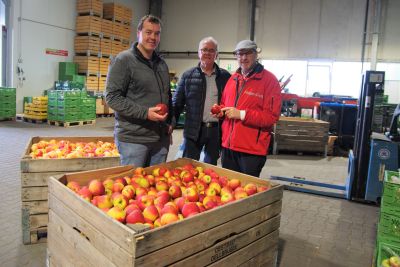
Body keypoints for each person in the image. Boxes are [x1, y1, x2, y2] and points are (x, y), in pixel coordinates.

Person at [104, 15, 172, 167]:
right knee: (134, 187)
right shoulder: (123, 60)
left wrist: (170, 123)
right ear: (139, 33)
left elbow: (168, 96)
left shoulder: (161, 64)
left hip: (160, 141)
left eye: (157, 33)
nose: (153, 37)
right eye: (148, 32)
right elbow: (112, 97)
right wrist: (145, 113)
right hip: (134, 140)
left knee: (156, 188)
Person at [217, 40, 282, 177]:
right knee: (227, 190)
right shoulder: (233, 78)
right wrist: (220, 111)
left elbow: (271, 117)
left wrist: (241, 114)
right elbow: (225, 104)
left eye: (248, 53)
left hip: (251, 151)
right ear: (236, 56)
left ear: (256, 55)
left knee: (248, 193)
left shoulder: (269, 81)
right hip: (228, 148)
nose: (244, 58)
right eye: (240, 54)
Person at [173, 37, 231, 165]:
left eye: (211, 50)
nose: (207, 53)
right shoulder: (188, 75)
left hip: (216, 131)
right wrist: (170, 125)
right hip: (194, 130)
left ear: (216, 54)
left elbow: (231, 103)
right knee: (189, 165)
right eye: (204, 50)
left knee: (211, 167)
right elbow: (177, 103)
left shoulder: (225, 77)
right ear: (199, 52)